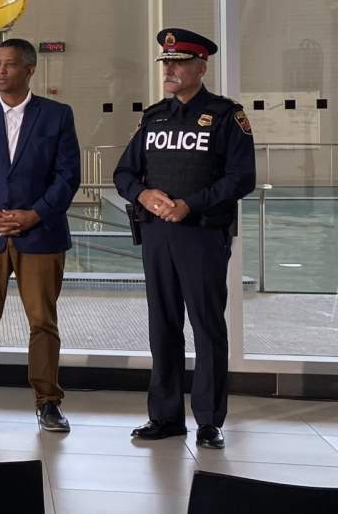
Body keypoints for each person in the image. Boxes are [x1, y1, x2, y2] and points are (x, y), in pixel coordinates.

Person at [114, 28, 255, 450]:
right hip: (158, 235)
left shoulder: (227, 116)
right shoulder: (154, 117)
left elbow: (242, 177)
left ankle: (209, 421)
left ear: (201, 66)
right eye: (166, 63)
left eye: (178, 62)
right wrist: (144, 193)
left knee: (207, 326)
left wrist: (189, 204)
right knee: (164, 325)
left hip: (202, 235)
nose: (170, 69)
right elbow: (123, 173)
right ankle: (166, 416)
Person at [0, 38, 81, 432]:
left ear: (29, 70)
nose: (1, 71)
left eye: (9, 64)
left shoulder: (57, 115)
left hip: (39, 235)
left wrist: (34, 214)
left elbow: (68, 175)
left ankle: (48, 401)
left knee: (42, 321)